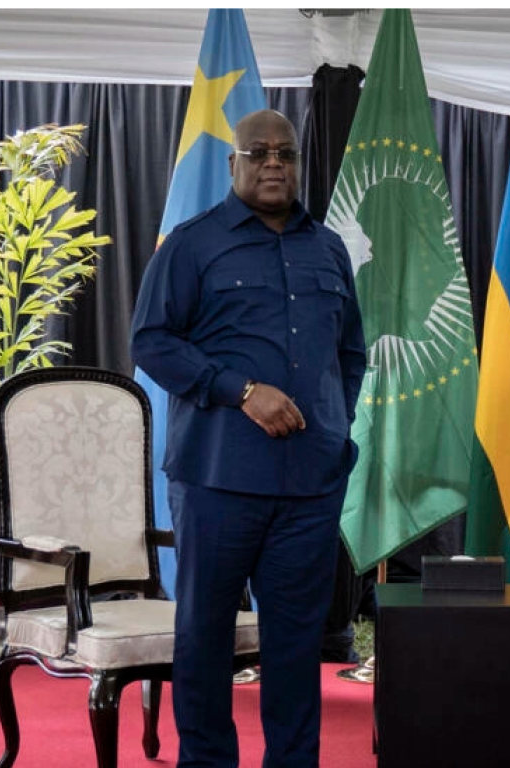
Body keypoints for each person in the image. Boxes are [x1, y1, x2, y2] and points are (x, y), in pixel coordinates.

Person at [131, 109, 366, 768]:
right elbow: (151, 342)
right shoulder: (191, 244)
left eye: (285, 154)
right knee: (204, 637)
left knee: (295, 644)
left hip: (309, 487)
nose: (273, 164)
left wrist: (331, 427)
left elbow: (349, 353)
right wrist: (238, 391)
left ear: (298, 163)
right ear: (233, 164)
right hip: (217, 481)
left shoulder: (328, 248)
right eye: (257, 152)